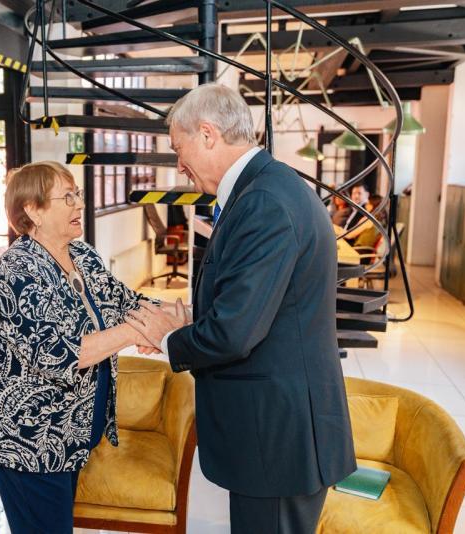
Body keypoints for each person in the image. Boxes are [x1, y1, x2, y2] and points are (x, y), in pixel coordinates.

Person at [126, 83, 356, 534]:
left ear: (208, 134)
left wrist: (168, 338)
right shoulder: (267, 188)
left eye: (179, 148)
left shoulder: (264, 202)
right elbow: (262, 304)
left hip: (277, 440)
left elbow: (234, 332)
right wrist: (197, 318)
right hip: (279, 432)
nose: (179, 165)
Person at [0, 161, 160, 533]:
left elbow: (125, 301)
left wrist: (186, 316)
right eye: (67, 197)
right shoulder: (17, 270)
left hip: (70, 432)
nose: (78, 204)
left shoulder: (82, 255)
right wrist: (136, 332)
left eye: (78, 195)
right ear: (33, 210)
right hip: (27, 440)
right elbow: (61, 355)